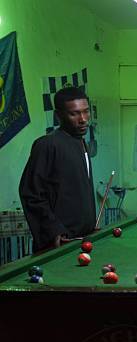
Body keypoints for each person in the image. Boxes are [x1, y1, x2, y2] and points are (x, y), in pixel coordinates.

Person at [19, 86, 96, 253]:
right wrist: (54, 230)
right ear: (58, 115)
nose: (83, 119)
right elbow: (31, 194)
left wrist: (91, 225)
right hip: (59, 243)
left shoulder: (81, 142)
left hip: (83, 239)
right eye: (74, 113)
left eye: (86, 111)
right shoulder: (47, 144)